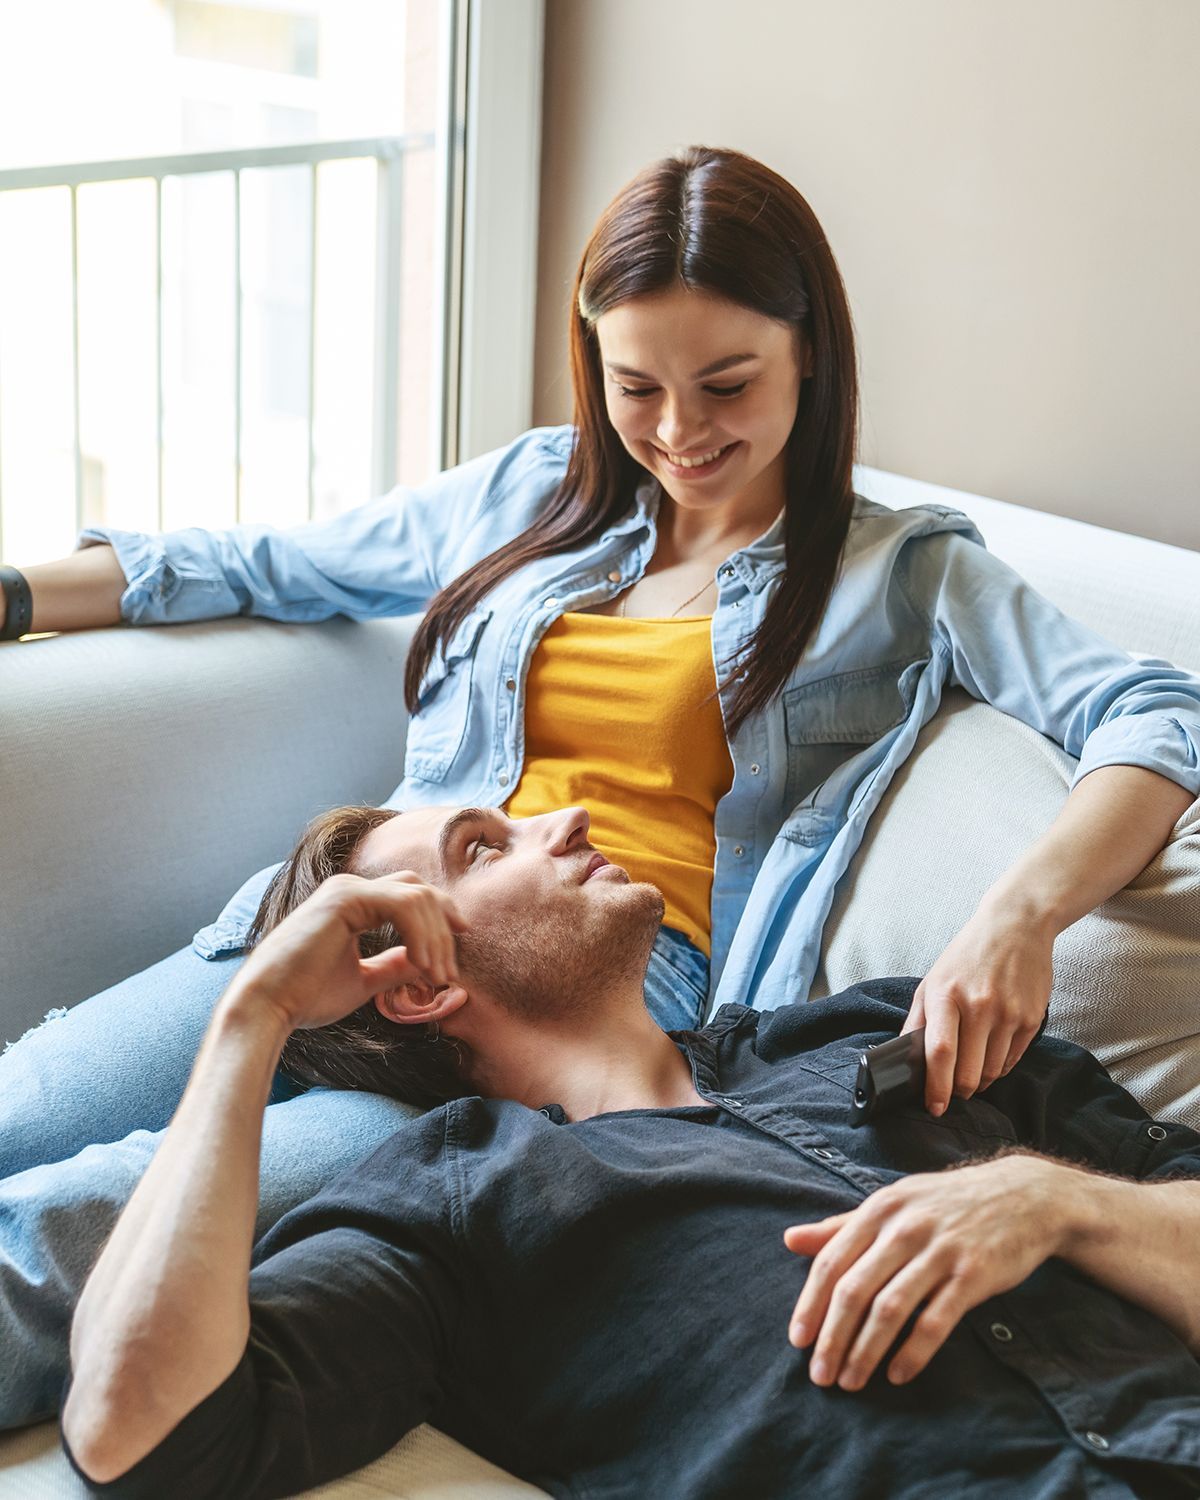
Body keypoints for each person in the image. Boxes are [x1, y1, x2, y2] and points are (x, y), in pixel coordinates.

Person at [2, 143, 1199, 1428]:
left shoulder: (899, 574)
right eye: (638, 387)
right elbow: (262, 563)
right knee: (25, 1110)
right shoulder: (534, 494)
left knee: (69, 1227)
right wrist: (18, 594)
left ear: (812, 354)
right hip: (363, 922)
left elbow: (1153, 713)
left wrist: (1017, 915)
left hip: (566, 1013)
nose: (681, 434)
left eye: (727, 383)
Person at [61, 800, 1200, 1499]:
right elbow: (137, 1431)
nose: (567, 824)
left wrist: (1052, 1203)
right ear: (412, 977)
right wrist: (252, 1019)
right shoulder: (453, 1206)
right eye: (483, 846)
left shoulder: (887, 1026)